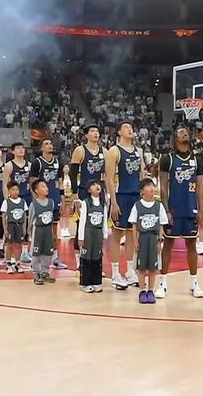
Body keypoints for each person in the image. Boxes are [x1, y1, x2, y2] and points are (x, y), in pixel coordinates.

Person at [157, 126, 203, 299]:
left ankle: (194, 282)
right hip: (173, 209)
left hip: (191, 208)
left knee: (191, 245)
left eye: (186, 131)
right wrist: (165, 210)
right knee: (168, 245)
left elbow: (199, 187)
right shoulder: (167, 159)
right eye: (181, 132)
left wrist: (201, 209)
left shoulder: (197, 160)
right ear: (175, 138)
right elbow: (163, 186)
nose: (185, 133)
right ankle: (163, 282)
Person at [106, 121, 144, 290]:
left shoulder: (138, 151)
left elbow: (142, 175)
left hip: (136, 196)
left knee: (131, 235)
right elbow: (109, 178)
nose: (130, 129)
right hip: (121, 196)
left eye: (131, 127)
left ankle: (129, 271)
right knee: (116, 234)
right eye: (126, 127)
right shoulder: (114, 151)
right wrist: (113, 202)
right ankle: (115, 273)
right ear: (119, 132)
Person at [71, 124, 106, 270]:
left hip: (99, 192)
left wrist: (107, 194)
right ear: (86, 135)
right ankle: (79, 262)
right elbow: (73, 174)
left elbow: (107, 175)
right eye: (92, 131)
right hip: (84, 192)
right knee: (81, 225)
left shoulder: (104, 151)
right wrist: (75, 196)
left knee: (98, 225)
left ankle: (96, 260)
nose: (95, 133)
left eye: (97, 131)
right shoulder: (80, 150)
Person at [30, 138, 67, 269]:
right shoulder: (37, 163)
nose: (50, 145)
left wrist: (62, 199)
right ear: (41, 148)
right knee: (40, 232)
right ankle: (35, 258)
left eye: (51, 143)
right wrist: (36, 201)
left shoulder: (58, 162)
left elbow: (60, 182)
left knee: (54, 232)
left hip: (55, 199)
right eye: (46, 144)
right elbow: (32, 184)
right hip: (42, 201)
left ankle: (55, 258)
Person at [130, 178, 168, 303]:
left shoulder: (159, 206)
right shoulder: (137, 205)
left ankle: (151, 290)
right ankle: (142, 291)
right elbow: (134, 225)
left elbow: (161, 225)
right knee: (141, 267)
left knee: (153, 267)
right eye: (148, 186)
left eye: (153, 185)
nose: (152, 188)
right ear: (142, 191)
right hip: (142, 238)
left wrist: (160, 241)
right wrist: (135, 241)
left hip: (153, 238)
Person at [3, 142, 32, 262]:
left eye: (22, 148)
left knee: (26, 224)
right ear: (13, 151)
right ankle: (8, 252)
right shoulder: (9, 165)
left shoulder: (29, 165)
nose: (21, 150)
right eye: (18, 148)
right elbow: (5, 184)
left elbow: (32, 182)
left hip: (27, 196)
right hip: (13, 198)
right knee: (11, 224)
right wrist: (7, 200)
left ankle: (25, 252)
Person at [77, 180, 108, 293]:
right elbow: (82, 221)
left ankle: (96, 282)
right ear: (89, 190)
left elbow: (104, 220)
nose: (97, 186)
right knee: (86, 258)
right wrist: (81, 237)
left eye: (97, 184)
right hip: (88, 232)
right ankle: (86, 283)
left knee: (97, 258)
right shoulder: (86, 203)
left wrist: (105, 234)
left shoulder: (103, 203)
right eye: (93, 186)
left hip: (98, 233)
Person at [28, 179, 56, 285]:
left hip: (48, 230)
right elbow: (30, 220)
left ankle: (45, 272)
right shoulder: (33, 204)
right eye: (43, 187)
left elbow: (52, 219)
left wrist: (53, 233)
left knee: (48, 252)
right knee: (36, 252)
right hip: (38, 230)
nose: (46, 188)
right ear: (36, 190)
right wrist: (30, 234)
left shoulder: (51, 202)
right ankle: (36, 273)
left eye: (46, 186)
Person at [1, 181, 27, 274]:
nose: (15, 191)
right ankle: (8, 264)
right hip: (10, 225)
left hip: (19, 225)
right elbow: (3, 216)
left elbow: (24, 216)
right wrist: (5, 229)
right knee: (9, 245)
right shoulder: (6, 202)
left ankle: (17, 263)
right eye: (13, 190)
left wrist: (24, 228)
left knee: (19, 245)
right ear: (9, 191)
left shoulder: (23, 201)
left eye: (17, 189)